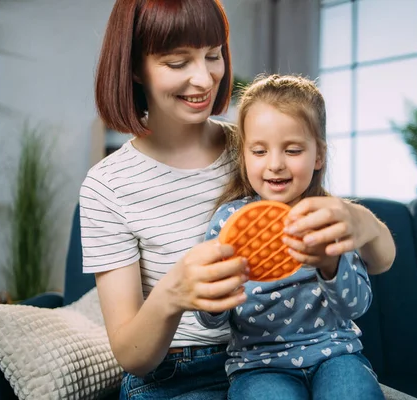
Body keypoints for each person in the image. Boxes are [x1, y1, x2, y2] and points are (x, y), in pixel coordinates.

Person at [80, 1, 395, 399]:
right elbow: (132, 356)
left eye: (213, 55)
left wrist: (362, 221)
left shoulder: (259, 146)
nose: (204, 78)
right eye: (178, 62)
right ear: (133, 68)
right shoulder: (107, 185)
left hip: (297, 357)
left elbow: (376, 259)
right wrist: (173, 293)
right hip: (178, 375)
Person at [194, 74, 387, 400]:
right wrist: (216, 293)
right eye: (259, 151)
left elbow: (356, 306)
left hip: (335, 355)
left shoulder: (328, 217)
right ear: (244, 156)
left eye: (293, 149)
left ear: (319, 156)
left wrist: (330, 263)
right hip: (258, 366)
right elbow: (210, 322)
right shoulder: (228, 222)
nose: (275, 165)